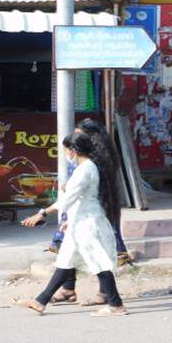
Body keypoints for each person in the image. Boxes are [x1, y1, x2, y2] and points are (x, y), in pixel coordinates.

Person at [16, 133, 128, 316]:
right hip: (80, 220)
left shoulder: (85, 169)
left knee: (98, 262)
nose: (66, 154)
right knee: (65, 260)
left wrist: (42, 213)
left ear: (73, 151)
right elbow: (78, 198)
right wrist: (70, 220)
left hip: (88, 223)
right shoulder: (86, 167)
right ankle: (40, 301)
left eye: (67, 150)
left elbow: (69, 197)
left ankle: (116, 305)